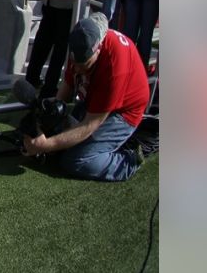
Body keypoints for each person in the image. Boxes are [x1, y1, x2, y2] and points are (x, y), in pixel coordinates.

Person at [22, 14, 149, 182]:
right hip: (93, 100)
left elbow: (90, 125)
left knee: (75, 160)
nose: (78, 69)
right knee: (60, 138)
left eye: (85, 65)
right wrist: (51, 117)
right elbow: (67, 85)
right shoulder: (80, 43)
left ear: (99, 48)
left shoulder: (115, 65)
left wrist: (45, 146)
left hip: (124, 113)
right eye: (75, 64)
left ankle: (128, 160)